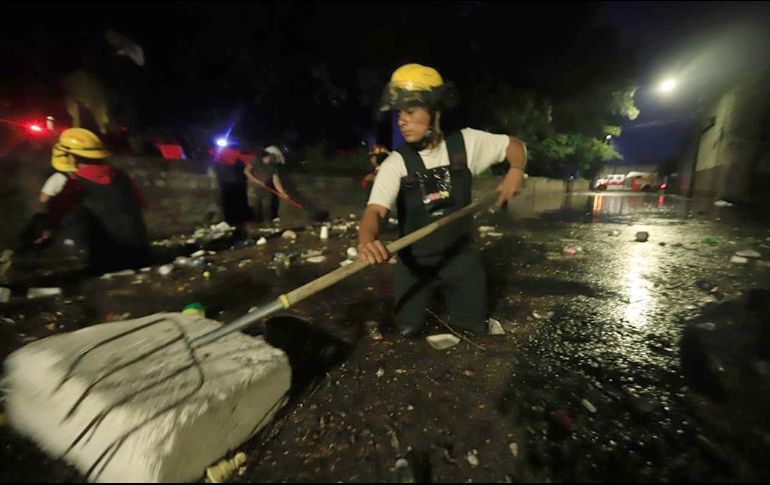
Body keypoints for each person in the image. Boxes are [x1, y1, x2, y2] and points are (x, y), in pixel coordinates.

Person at [357, 64, 527, 336]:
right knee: (407, 330)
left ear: (435, 112)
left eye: (410, 113)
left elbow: (515, 146)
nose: (402, 121)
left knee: (472, 327)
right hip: (415, 262)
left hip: (460, 255)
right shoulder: (396, 163)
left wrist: (516, 170)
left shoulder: (466, 144)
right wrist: (367, 241)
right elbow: (374, 212)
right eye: (400, 113)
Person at [45, 128, 151, 273]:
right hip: (142, 254)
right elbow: (141, 204)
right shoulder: (123, 177)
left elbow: (57, 218)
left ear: (71, 158)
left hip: (106, 262)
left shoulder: (75, 185)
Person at [244, 145, 289, 223]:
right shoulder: (256, 160)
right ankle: (255, 228)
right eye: (275, 158)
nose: (275, 161)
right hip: (253, 190)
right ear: (271, 155)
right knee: (254, 210)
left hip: (266, 191)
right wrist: (257, 181)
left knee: (267, 210)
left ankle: (266, 226)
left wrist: (282, 193)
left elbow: (276, 181)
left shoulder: (273, 167)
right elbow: (246, 171)